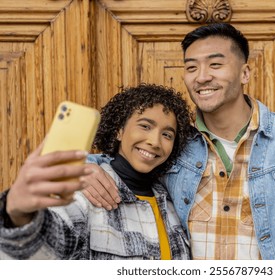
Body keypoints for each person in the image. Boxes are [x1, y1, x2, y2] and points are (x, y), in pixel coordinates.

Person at [84, 23, 275, 260]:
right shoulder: (174, 141)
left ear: (244, 73)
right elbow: (123, 161)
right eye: (191, 67)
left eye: (215, 65)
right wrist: (79, 166)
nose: (201, 77)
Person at [0, 83, 192, 260]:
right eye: (145, 126)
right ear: (119, 131)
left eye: (167, 134)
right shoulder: (85, 193)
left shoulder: (174, 203)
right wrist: (18, 216)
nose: (155, 142)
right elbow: (45, 247)